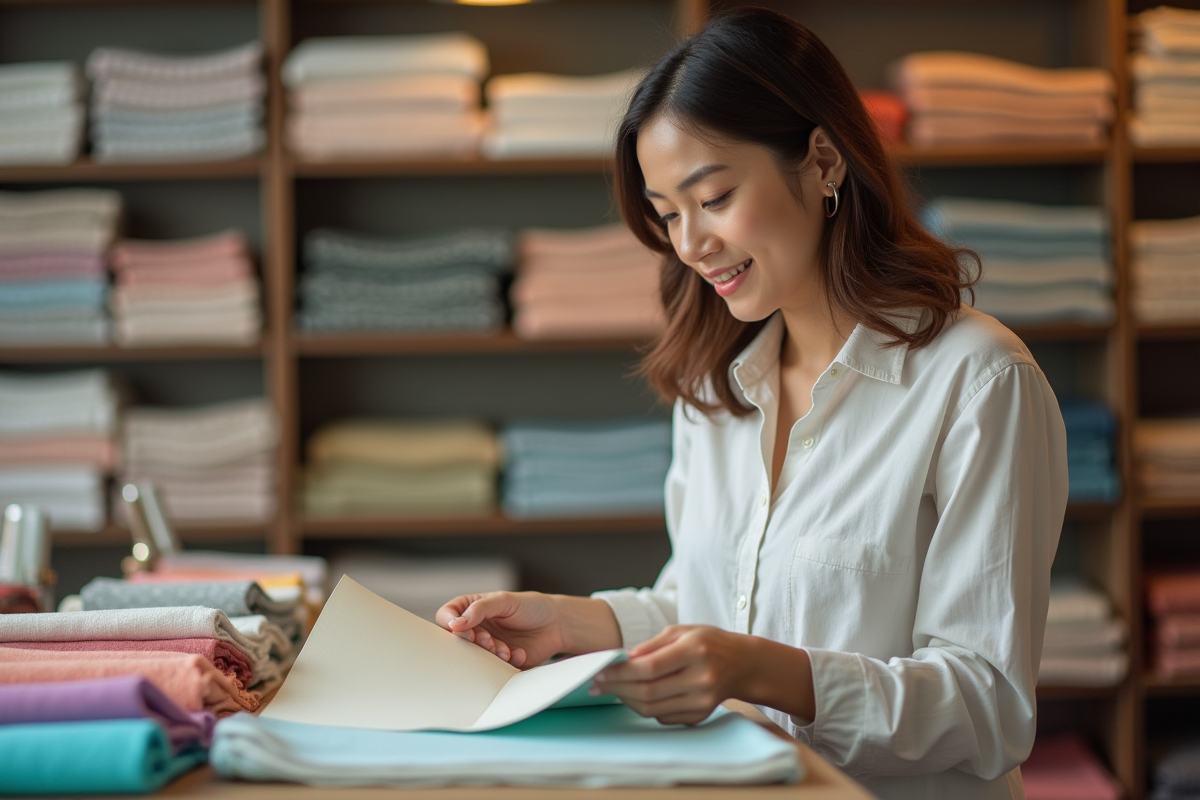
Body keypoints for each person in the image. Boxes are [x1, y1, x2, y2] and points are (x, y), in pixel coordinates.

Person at [437, 8, 1067, 799]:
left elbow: (987, 707)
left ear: (824, 160)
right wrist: (568, 623)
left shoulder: (978, 382)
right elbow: (701, 601)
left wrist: (767, 672)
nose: (690, 244)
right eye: (667, 214)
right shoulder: (715, 383)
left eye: (715, 196)